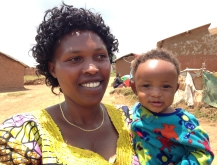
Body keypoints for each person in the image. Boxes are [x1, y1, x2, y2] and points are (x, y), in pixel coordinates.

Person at [0, 3, 139, 165]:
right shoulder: (24, 135)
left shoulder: (134, 121)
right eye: (75, 59)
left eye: (100, 56)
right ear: (52, 69)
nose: (92, 68)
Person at [130, 49, 214, 165]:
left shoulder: (184, 123)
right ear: (134, 88)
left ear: (176, 88)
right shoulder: (134, 112)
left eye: (165, 86)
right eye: (146, 85)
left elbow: (203, 152)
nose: (156, 93)